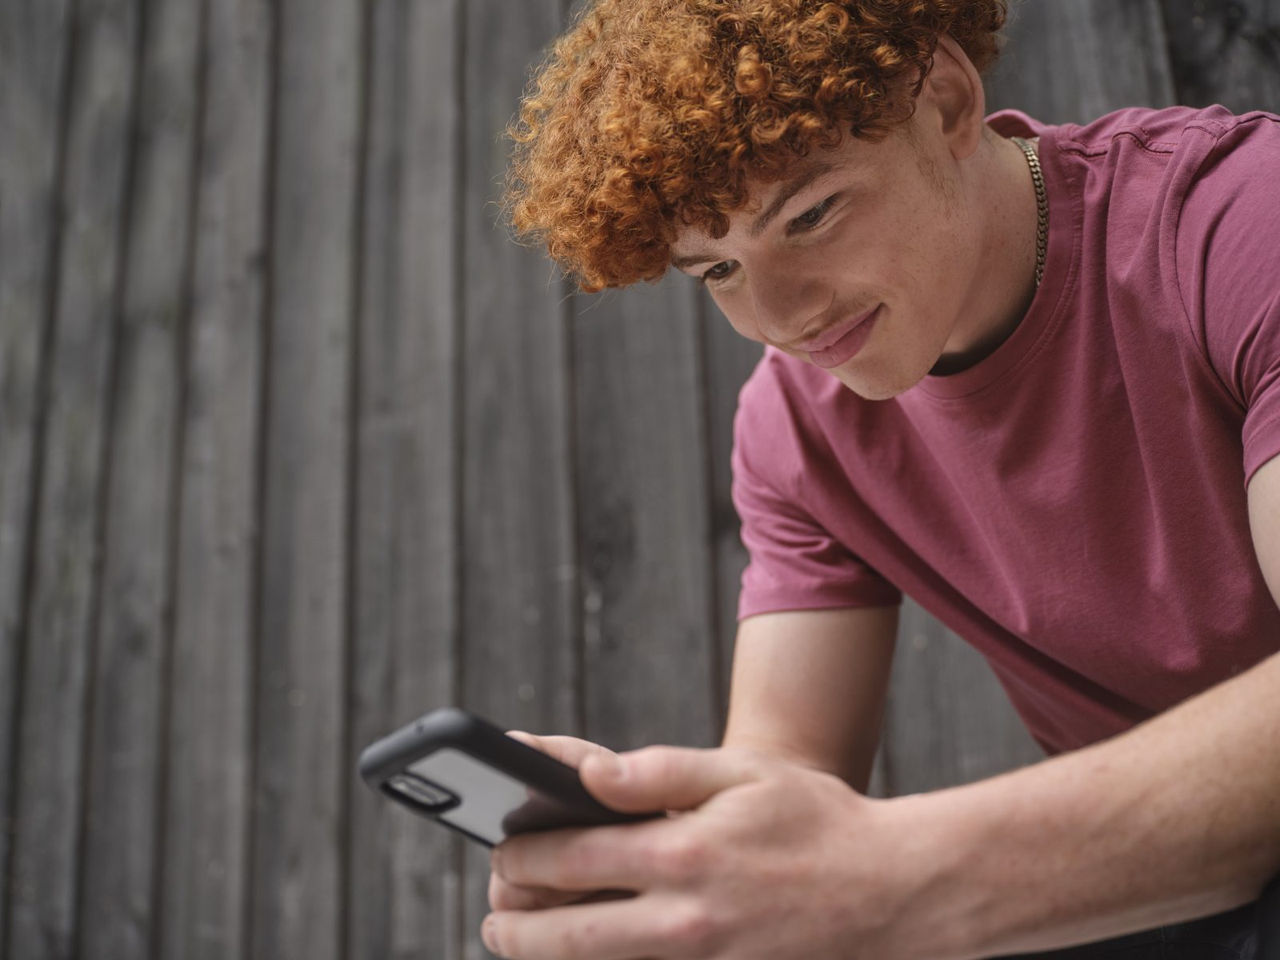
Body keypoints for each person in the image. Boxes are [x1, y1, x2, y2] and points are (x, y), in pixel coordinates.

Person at [486, 1, 1280, 957]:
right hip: (1154, 897)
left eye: (811, 215)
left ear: (944, 102)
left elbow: (872, 876)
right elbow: (782, 772)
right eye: (719, 272)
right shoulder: (794, 433)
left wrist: (893, 877)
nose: (778, 317)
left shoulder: (1237, 223)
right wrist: (678, 861)